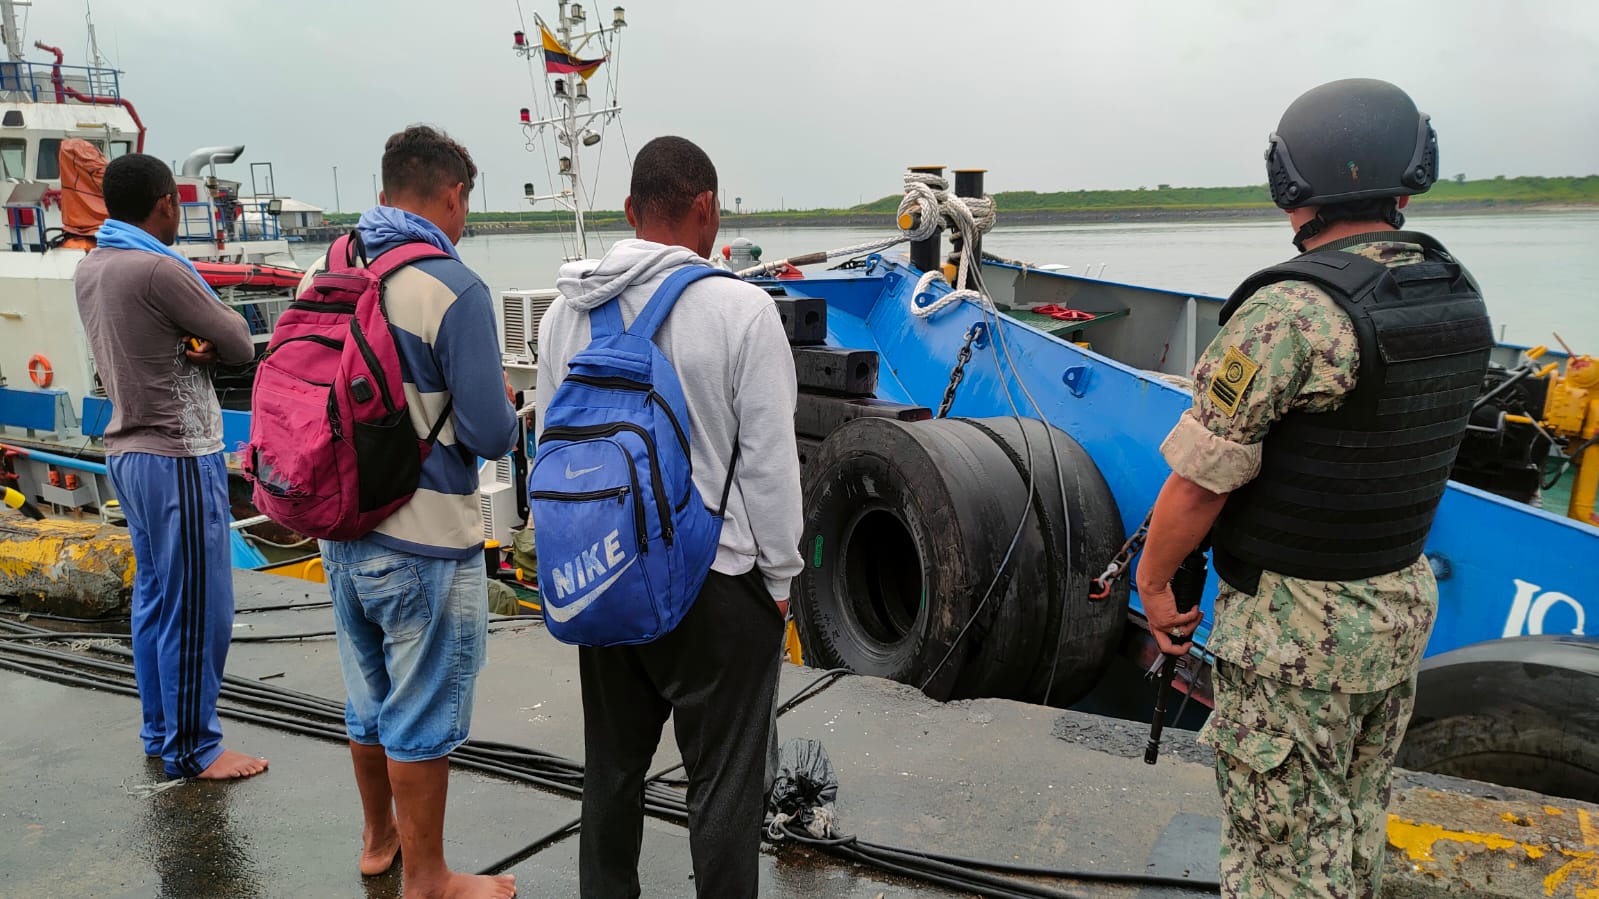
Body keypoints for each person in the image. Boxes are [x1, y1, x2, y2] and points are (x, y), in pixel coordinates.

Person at [1135, 79, 1493, 898]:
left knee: (1279, 860)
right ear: (1410, 175)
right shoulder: (1450, 287)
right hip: (1395, 607)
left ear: (1291, 182)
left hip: (1297, 633)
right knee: (1350, 827)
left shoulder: (1291, 310)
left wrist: (1154, 586)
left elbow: (1198, 482)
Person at [535, 135, 804, 899]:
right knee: (723, 786)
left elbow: (550, 450)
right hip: (714, 581)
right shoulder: (741, 310)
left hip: (604, 570)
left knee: (612, 770)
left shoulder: (564, 313)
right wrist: (779, 579)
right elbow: (768, 465)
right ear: (706, 209)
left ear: (628, 211)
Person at [308, 126, 518, 898]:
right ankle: (430, 877)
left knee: (368, 697)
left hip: (339, 527)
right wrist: (513, 413)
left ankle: (378, 840)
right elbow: (490, 431)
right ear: (453, 195)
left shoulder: (326, 268)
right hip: (423, 538)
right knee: (422, 708)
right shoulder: (452, 286)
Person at [74, 153, 267, 781]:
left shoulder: (92, 268)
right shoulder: (158, 270)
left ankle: (162, 731)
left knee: (155, 602)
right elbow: (238, 340)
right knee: (198, 609)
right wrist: (210, 347)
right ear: (164, 202)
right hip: (178, 454)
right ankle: (195, 747)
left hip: (127, 453)